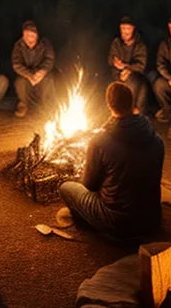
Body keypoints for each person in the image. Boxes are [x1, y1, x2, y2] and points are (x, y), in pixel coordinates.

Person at [58, 82, 164, 240]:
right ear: (132, 103)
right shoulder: (157, 140)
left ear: (109, 105)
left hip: (118, 223)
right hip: (151, 220)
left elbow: (90, 186)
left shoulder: (100, 141)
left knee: (66, 187)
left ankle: (90, 227)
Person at [107, 16, 153, 116]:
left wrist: (127, 68)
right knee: (121, 85)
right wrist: (117, 66)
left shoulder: (140, 45)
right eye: (123, 29)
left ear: (133, 29)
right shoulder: (116, 43)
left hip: (136, 77)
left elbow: (141, 66)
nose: (125, 32)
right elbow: (111, 59)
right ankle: (124, 114)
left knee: (140, 85)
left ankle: (135, 114)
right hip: (119, 75)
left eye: (128, 29)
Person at [11, 20, 57, 118]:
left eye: (32, 36)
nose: (29, 39)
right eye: (27, 36)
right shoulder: (18, 45)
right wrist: (29, 75)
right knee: (20, 82)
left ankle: (48, 106)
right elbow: (16, 64)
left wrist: (42, 71)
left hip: (41, 73)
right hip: (27, 74)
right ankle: (23, 104)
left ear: (37, 35)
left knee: (49, 80)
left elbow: (50, 59)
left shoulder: (45, 43)